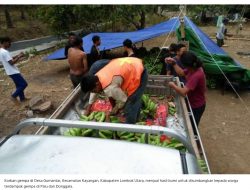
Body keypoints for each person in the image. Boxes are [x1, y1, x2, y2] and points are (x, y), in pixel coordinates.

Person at [81, 57, 148, 124]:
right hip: (131, 63)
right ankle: (137, 116)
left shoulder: (110, 88)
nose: (95, 92)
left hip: (139, 72)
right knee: (135, 101)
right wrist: (88, 108)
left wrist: (113, 111)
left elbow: (123, 100)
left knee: (132, 102)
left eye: (94, 90)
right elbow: (93, 93)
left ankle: (130, 127)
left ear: (97, 84)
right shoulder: (96, 77)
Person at [166, 51, 206, 130]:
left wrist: (173, 85)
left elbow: (183, 91)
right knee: (188, 124)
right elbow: (181, 73)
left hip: (196, 106)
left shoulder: (197, 75)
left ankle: (194, 141)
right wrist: (174, 63)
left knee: (192, 127)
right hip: (191, 101)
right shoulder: (192, 68)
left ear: (187, 65)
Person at [0, 37, 28, 103]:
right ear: (4, 42)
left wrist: (18, 55)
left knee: (18, 85)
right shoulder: (4, 52)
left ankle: (22, 99)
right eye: (9, 42)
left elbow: (10, 59)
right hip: (13, 71)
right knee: (24, 84)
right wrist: (19, 56)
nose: (10, 44)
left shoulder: (1, 51)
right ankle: (13, 96)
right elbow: (11, 62)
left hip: (10, 72)